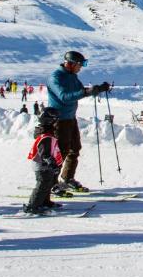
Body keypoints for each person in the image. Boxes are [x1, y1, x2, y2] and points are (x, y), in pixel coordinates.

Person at [46, 50, 110, 193]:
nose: (81, 68)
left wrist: (98, 89)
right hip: (59, 120)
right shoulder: (55, 77)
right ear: (70, 64)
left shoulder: (72, 76)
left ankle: (67, 178)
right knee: (60, 152)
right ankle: (51, 183)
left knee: (74, 149)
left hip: (70, 118)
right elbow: (64, 96)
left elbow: (81, 90)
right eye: (79, 65)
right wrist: (86, 92)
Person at [22, 108, 63, 216]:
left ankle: (45, 202)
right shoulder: (46, 136)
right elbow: (44, 153)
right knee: (42, 184)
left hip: (45, 165)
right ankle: (33, 206)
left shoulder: (47, 132)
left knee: (48, 183)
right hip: (41, 165)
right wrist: (51, 162)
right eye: (55, 120)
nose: (57, 122)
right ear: (50, 121)